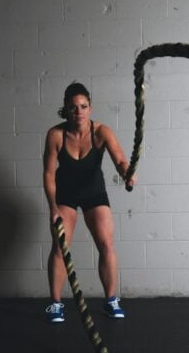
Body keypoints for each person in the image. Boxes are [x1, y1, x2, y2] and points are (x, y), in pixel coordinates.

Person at [42, 82, 136, 323]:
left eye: (83, 106)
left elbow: (120, 160)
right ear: (66, 109)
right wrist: (53, 207)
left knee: (106, 243)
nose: (79, 112)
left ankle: (111, 300)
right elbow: (49, 174)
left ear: (90, 109)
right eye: (73, 107)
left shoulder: (101, 132)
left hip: (94, 193)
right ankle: (55, 304)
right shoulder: (55, 135)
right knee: (60, 246)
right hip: (66, 196)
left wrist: (127, 173)